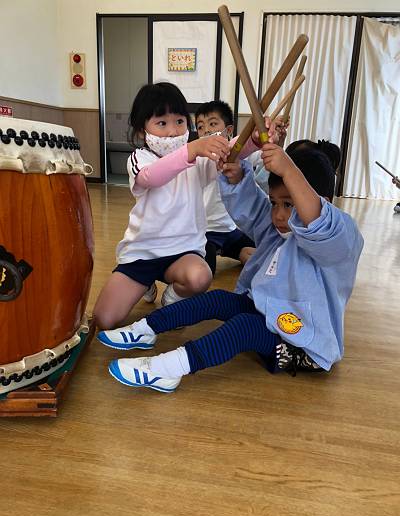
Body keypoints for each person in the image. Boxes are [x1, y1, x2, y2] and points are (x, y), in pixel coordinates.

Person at [97, 141, 364, 393]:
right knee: (219, 299)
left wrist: (290, 170)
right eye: (275, 203)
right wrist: (237, 179)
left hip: (304, 346)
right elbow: (254, 208)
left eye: (289, 204)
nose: (279, 214)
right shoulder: (278, 228)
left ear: (324, 201)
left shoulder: (341, 236)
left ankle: (167, 369)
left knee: (245, 327)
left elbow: (320, 221)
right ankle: (146, 329)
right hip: (269, 314)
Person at [93, 82, 261, 329]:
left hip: (183, 253)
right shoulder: (140, 158)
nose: (173, 131)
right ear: (142, 130)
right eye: (162, 123)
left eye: (180, 121)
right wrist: (191, 150)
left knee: (200, 276)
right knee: (104, 319)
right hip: (142, 254)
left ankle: (171, 299)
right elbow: (151, 177)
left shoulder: (198, 160)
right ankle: (146, 283)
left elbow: (231, 149)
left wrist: (254, 139)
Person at [195, 100, 256, 275]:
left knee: (262, 253)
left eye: (212, 124)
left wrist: (275, 137)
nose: (206, 130)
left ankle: (235, 251)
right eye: (200, 127)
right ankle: (215, 251)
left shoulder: (240, 155)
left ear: (228, 130)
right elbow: (232, 147)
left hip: (231, 230)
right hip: (206, 232)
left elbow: (262, 151)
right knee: (205, 272)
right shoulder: (200, 159)